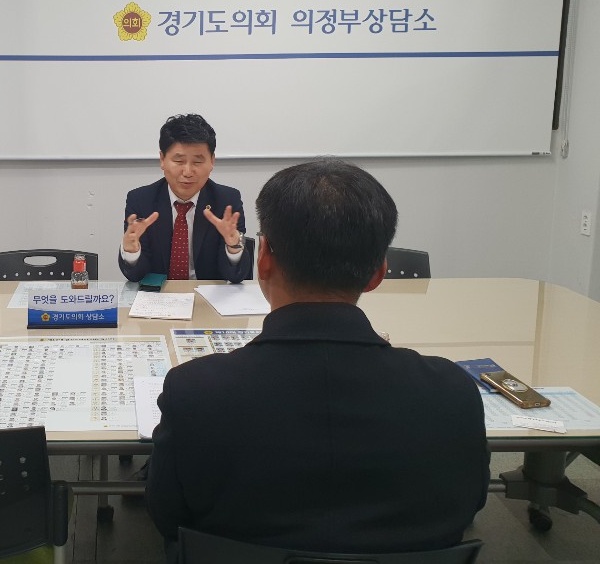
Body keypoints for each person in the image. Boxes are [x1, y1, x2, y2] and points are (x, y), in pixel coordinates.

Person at [146, 159, 489, 560]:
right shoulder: (452, 392)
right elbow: (468, 506)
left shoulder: (194, 392)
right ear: (379, 272)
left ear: (263, 259)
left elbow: (167, 516)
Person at [119, 114, 252, 283]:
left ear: (212, 161)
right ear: (162, 159)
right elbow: (135, 276)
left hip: (207, 295)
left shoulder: (227, 201)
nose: (188, 172)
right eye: (179, 161)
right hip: (159, 296)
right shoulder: (141, 200)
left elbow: (236, 276)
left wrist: (233, 247)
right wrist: (132, 252)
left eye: (197, 162)